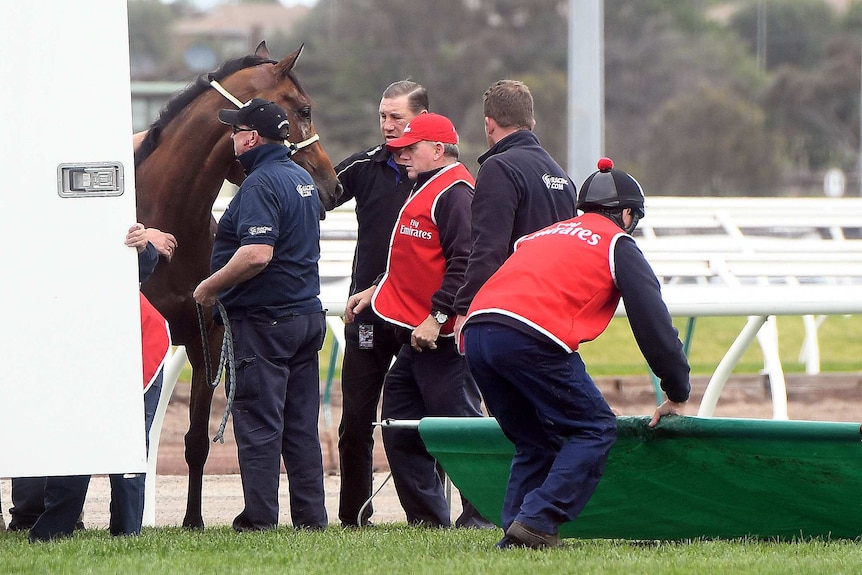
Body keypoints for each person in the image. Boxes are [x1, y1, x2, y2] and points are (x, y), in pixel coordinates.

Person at [462, 158, 691, 549]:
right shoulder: (618, 242)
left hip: (477, 332)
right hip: (528, 334)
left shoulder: (543, 234)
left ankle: (518, 533)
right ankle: (538, 520)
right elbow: (653, 324)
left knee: (534, 440)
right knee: (595, 427)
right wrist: (677, 389)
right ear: (625, 213)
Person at [345, 113, 491, 528]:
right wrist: (377, 289)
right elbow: (411, 258)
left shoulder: (455, 193)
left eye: (411, 148)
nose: (402, 155)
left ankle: (480, 518)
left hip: (441, 340)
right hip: (415, 338)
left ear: (438, 150)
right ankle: (428, 520)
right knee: (398, 425)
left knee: (461, 433)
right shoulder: (424, 186)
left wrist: (438, 316)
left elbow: (465, 262)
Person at [193, 98, 327, 532]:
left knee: (260, 423)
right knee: (300, 427)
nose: (232, 137)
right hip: (306, 315)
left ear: (251, 137)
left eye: (236, 131)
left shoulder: (259, 183)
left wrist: (209, 287)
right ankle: (310, 518)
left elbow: (255, 253)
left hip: (266, 322)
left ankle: (259, 519)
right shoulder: (300, 177)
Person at [18, 224, 175, 542]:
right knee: (75, 435)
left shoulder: (109, 218)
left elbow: (141, 271)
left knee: (129, 439)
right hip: (83, 345)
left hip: (139, 344)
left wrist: (142, 246)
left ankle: (127, 529)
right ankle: (55, 528)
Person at [332, 80, 429, 527]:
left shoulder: (441, 178)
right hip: (367, 315)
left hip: (420, 317)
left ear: (420, 121)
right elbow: (311, 199)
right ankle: (353, 517)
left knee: (427, 422)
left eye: (398, 118)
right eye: (383, 117)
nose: (388, 126)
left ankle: (431, 516)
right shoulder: (363, 167)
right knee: (354, 422)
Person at [453, 79, 577, 338]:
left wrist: (466, 309)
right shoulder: (562, 177)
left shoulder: (499, 168)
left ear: (489, 124)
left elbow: (488, 248)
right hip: (555, 314)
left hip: (511, 317)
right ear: (532, 123)